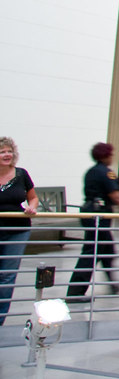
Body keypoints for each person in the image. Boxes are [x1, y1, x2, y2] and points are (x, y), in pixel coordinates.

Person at [66, 142, 119, 302]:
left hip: (90, 213)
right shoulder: (106, 173)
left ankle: (112, 282)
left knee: (107, 249)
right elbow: (116, 196)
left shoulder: (91, 172)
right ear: (106, 155)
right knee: (91, 252)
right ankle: (75, 292)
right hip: (98, 216)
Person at [0, 137, 37, 326]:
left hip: (17, 230)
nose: (7, 155)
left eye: (9, 151)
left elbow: (33, 198)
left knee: (7, 274)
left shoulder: (21, 174)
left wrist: (31, 207)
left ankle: (0, 319)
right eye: (2, 152)